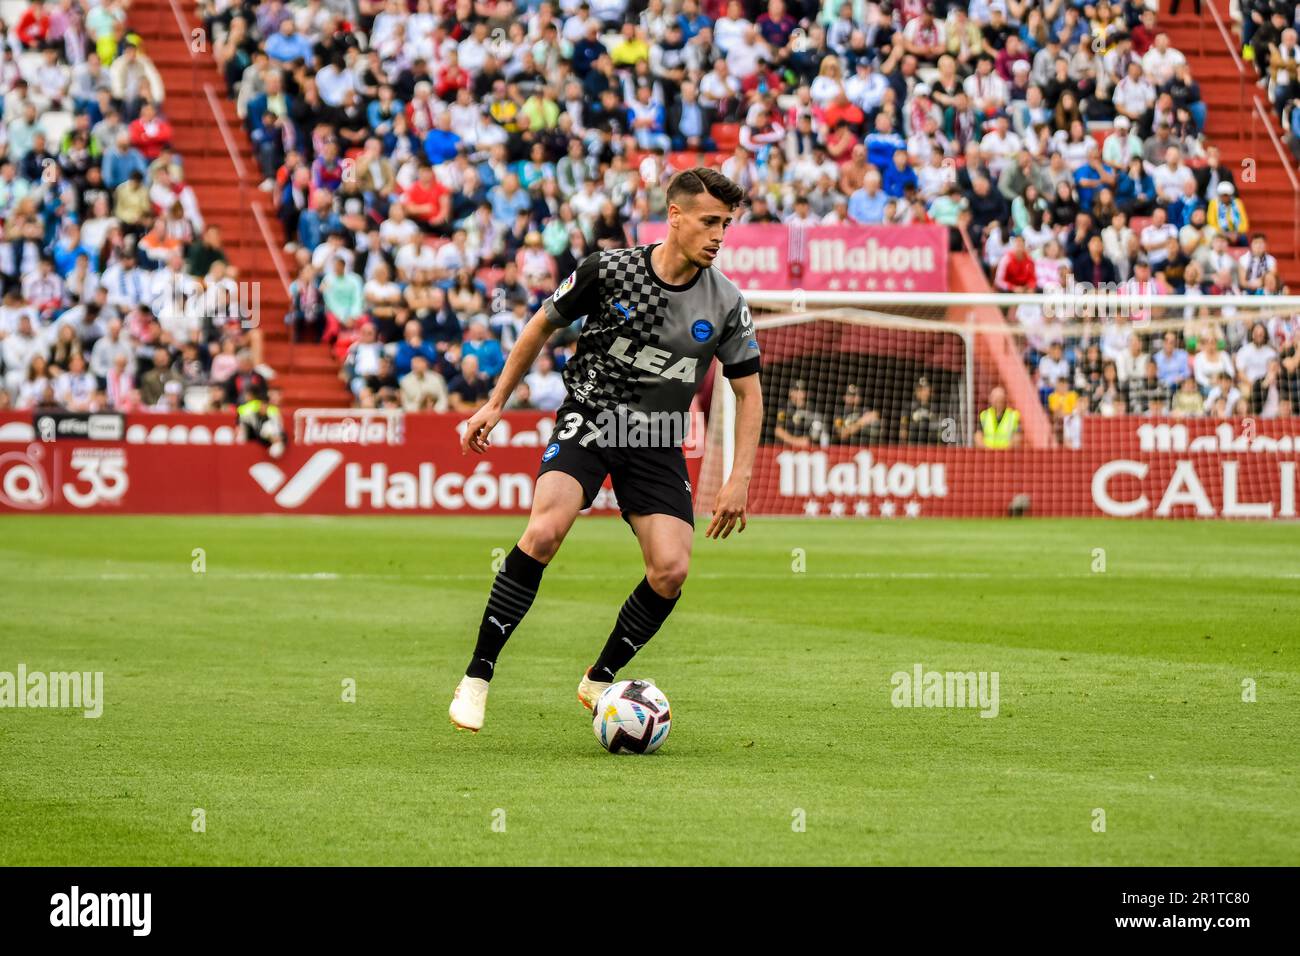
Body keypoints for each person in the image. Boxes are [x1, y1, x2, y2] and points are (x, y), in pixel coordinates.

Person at [448, 168, 762, 732]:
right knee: (545, 531)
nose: (719, 235)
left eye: (726, 225)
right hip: (591, 420)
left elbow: (748, 390)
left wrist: (739, 476)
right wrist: (496, 403)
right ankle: (477, 675)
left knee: (671, 569)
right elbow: (539, 326)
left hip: (656, 438)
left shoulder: (726, 302)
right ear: (675, 216)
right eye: (710, 222)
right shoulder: (609, 271)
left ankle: (599, 677)